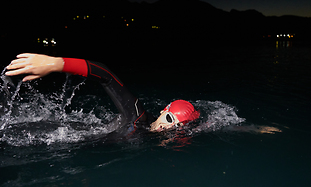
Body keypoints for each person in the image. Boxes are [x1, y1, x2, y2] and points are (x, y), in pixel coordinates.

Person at [5, 53, 200, 137]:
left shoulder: (152, 139)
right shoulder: (137, 117)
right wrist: (55, 64)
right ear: (163, 110)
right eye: (169, 118)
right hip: (48, 132)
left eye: (177, 127)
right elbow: (107, 76)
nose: (168, 127)